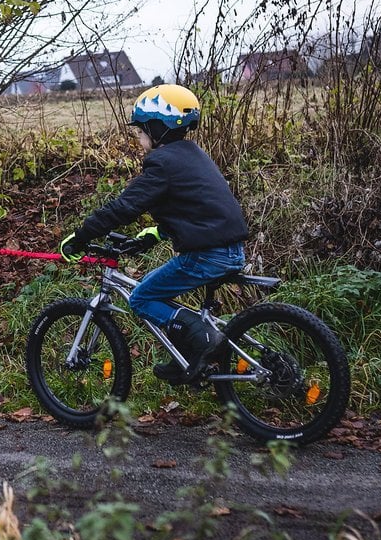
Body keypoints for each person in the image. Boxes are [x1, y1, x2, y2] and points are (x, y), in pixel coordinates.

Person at [59, 84, 249, 384]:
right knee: (157, 292)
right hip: (229, 250)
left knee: (141, 297)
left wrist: (81, 235)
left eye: (142, 129)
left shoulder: (161, 163)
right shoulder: (191, 155)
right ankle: (191, 354)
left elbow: (124, 206)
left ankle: (203, 338)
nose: (139, 135)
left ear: (158, 127)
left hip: (207, 256)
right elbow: (195, 205)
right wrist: (155, 234)